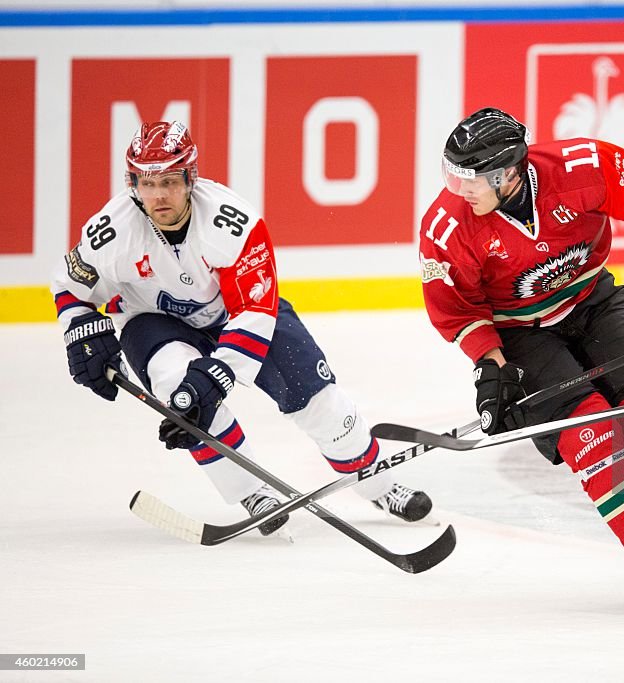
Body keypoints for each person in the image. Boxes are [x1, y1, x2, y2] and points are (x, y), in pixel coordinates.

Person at [418, 107, 624, 614]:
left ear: (508, 172)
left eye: (471, 178)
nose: (460, 189)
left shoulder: (583, 166)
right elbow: (457, 307)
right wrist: (490, 366)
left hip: (594, 302)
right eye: (451, 175)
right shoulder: (446, 225)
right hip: (519, 332)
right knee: (589, 430)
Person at [53, 120, 433, 535]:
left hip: (236, 316)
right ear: (132, 184)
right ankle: (254, 491)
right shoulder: (111, 231)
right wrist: (81, 334)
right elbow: (70, 286)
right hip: (152, 321)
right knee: (181, 392)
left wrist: (218, 375)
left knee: (319, 398)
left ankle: (378, 481)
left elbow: (253, 310)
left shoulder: (232, 222)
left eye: (169, 181)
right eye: (146, 182)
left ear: (190, 177)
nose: (158, 194)